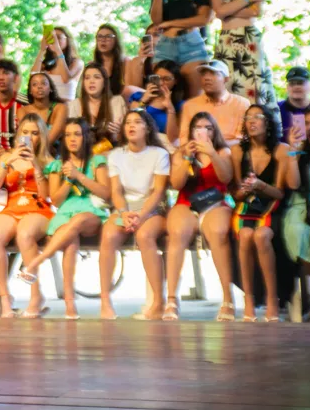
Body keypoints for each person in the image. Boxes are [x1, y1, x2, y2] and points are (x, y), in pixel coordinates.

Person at [18, 119, 111, 319]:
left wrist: (79, 176)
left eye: (77, 134)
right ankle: (70, 304)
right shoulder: (56, 165)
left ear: (85, 137)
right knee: (70, 242)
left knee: (77, 222)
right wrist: (68, 179)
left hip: (90, 212)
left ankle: (35, 262)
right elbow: (57, 200)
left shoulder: (97, 161)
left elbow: (105, 193)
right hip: (65, 213)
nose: (72, 139)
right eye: (68, 135)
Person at [99, 109, 170, 320]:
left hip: (152, 208)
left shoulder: (159, 154)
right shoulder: (116, 155)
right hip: (126, 208)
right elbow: (116, 192)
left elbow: (158, 191)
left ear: (147, 127)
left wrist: (141, 215)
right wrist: (125, 213)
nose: (131, 126)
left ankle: (159, 302)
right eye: (128, 123)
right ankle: (105, 301)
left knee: (144, 236)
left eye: (137, 122)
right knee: (109, 235)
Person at [165, 112, 235, 321]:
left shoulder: (223, 152)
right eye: (198, 128)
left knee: (219, 233)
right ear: (192, 132)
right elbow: (176, 184)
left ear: (214, 132)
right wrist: (187, 158)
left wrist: (211, 153)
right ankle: (171, 299)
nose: (203, 132)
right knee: (177, 233)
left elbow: (226, 178)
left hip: (216, 202)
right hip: (187, 202)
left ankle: (227, 299)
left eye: (208, 128)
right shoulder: (182, 152)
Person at [0, 113, 53, 317]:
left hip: (38, 208)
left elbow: (47, 195)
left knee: (25, 234)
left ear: (41, 137)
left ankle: (36, 295)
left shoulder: (48, 159)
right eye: (25, 132)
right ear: (18, 135)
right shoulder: (7, 158)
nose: (29, 137)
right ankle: (5, 298)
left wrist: (36, 167)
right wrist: (8, 162)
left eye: (34, 133)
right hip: (11, 207)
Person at [231, 105, 289, 322]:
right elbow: (236, 194)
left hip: (272, 208)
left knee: (261, 235)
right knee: (245, 236)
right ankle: (249, 299)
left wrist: (260, 186)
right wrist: (244, 189)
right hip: (246, 208)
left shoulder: (281, 149)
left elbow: (280, 193)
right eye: (248, 118)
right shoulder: (238, 151)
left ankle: (273, 299)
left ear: (268, 122)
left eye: (257, 117)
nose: (252, 122)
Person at [210, 0, 279, 120]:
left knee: (254, 83)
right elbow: (219, 12)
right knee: (227, 82)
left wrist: (229, 8)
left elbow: (256, 11)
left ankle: (259, 123)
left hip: (249, 37)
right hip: (227, 39)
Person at [151, 0, 212, 97]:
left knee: (194, 96)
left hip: (191, 44)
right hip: (166, 44)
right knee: (160, 93)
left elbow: (203, 19)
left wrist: (170, 23)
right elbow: (156, 20)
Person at [284, 105, 310, 321]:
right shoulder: (301, 152)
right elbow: (293, 183)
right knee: (300, 232)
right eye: (306, 123)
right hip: (303, 204)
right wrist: (292, 152)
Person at [179, 60, 250, 147]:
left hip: (229, 154)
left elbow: (242, 139)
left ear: (226, 79)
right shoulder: (190, 105)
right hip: (197, 153)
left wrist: (214, 147)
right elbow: (184, 139)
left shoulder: (241, 104)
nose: (206, 78)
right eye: (203, 74)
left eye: (213, 73)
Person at [68, 62, 126, 151]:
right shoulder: (74, 105)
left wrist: (120, 132)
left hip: (112, 151)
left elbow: (120, 135)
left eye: (97, 77)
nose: (91, 81)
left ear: (104, 82)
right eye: (87, 78)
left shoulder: (117, 101)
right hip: (83, 153)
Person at [128, 59, 183, 145]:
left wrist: (170, 108)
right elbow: (131, 121)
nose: (161, 83)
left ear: (175, 81)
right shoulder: (138, 96)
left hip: (163, 144)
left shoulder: (180, 105)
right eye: (157, 78)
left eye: (167, 79)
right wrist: (143, 101)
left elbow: (173, 138)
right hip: (139, 141)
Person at [30, 26, 82, 102]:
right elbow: (33, 77)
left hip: (66, 108)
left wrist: (58, 50)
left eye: (58, 37)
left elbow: (65, 79)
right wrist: (42, 50)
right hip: (44, 107)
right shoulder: (45, 63)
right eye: (52, 37)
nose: (55, 40)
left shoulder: (76, 62)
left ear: (68, 41)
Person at [20, 72, 68, 148]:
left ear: (50, 88)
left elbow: (50, 139)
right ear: (30, 91)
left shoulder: (60, 108)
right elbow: (24, 139)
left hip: (55, 155)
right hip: (29, 152)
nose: (39, 87)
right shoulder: (23, 111)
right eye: (35, 84)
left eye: (44, 83)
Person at [93, 24, 134, 99]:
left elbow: (128, 90)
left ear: (116, 41)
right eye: (100, 36)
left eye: (108, 36)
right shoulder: (92, 65)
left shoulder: (125, 62)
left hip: (119, 103)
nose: (103, 40)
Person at [279, 66, 310, 145]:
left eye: (300, 83)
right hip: (283, 155)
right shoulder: (276, 109)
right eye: (292, 84)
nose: (296, 87)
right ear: (287, 87)